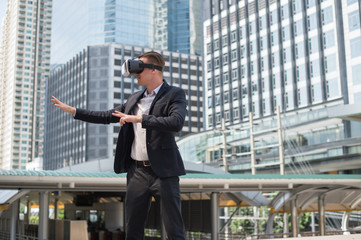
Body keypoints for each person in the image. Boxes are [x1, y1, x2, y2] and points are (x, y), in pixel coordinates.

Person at [51, 51, 187, 239]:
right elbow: (107, 116)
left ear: (154, 70)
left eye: (140, 68)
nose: (136, 74)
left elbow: (176, 122)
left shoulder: (174, 94)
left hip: (164, 172)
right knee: (133, 228)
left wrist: (139, 119)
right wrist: (74, 110)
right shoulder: (134, 99)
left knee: (174, 229)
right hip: (137, 172)